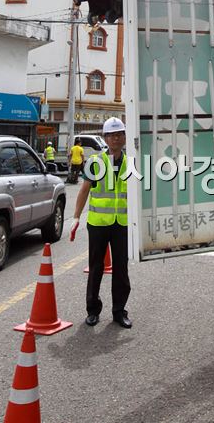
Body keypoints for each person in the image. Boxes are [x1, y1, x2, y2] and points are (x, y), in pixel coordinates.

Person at [70, 116, 131, 328]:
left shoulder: (131, 162)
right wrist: (76, 217)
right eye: (112, 135)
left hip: (122, 224)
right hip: (98, 224)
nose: (116, 138)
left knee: (121, 269)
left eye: (119, 134)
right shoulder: (95, 162)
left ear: (124, 137)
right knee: (96, 267)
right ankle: (93, 310)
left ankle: (119, 311)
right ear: (105, 138)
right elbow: (84, 190)